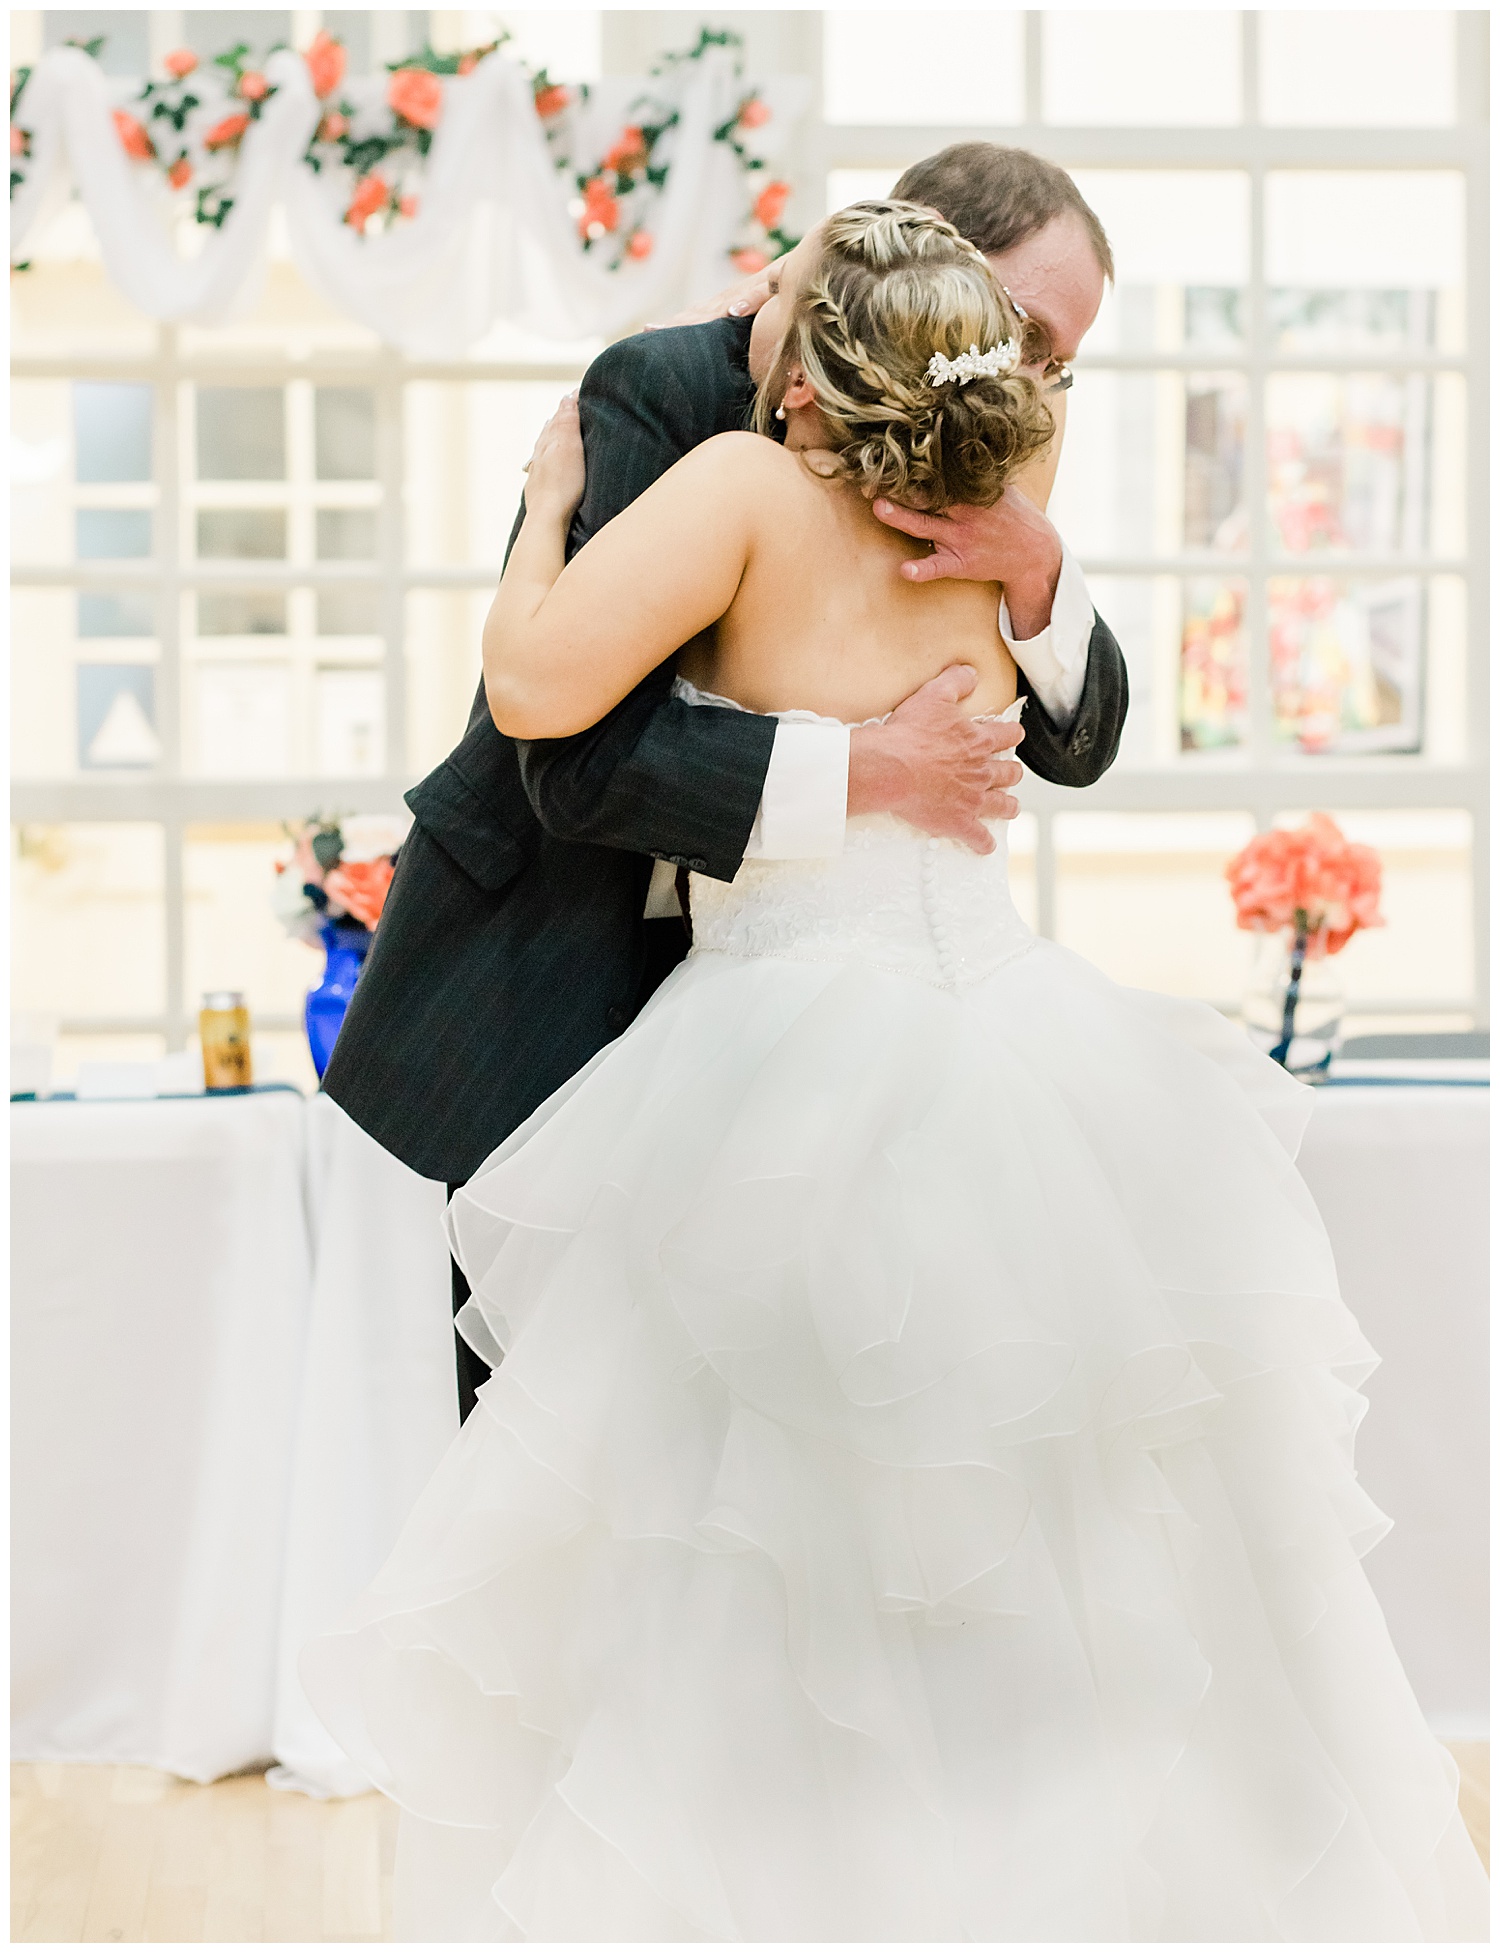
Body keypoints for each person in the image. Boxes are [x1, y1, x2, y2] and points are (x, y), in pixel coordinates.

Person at [303, 204, 1487, 1942]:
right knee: (1066, 1542)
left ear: (800, 358)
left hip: (784, 1060)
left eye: (772, 298)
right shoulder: (992, 534)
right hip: (1024, 1047)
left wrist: (552, 508)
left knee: (751, 1551)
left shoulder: (743, 488)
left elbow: (541, 691)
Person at [319, 144, 1128, 1424]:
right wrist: (866, 766)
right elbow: (571, 762)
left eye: (1057, 364)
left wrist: (1039, 565)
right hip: (567, 965)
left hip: (832, 1032)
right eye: (1022, 335)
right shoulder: (674, 395)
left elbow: (1074, 741)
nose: (1024, 382)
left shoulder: (990, 481)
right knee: (560, 1443)